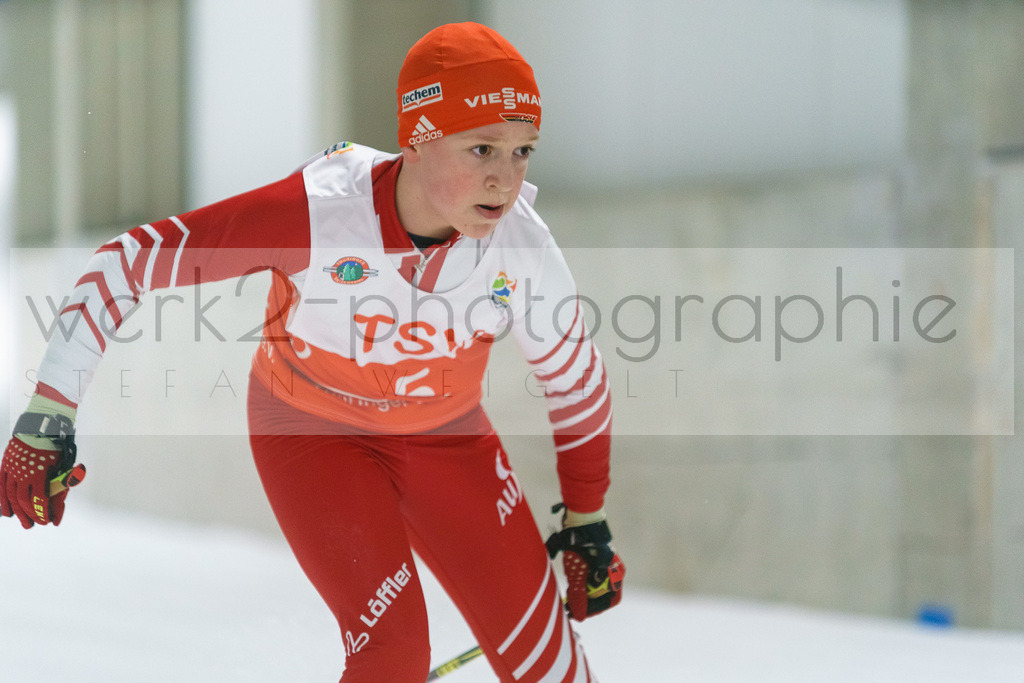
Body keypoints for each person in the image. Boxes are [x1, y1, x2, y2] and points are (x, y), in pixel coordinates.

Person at [1, 22, 624, 682]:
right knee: (394, 652)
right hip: (313, 435)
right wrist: (49, 410)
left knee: (555, 671)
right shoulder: (321, 212)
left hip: (447, 439)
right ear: (417, 137)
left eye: (523, 151)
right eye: (482, 149)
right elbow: (124, 264)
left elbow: (577, 382)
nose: (505, 178)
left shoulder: (522, 248)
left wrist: (586, 520)